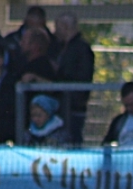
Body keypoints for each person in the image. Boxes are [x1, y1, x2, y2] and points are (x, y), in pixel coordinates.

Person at [53, 12, 95, 143]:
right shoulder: (62, 47)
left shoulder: (81, 49)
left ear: (65, 26)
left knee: (72, 139)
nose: (55, 32)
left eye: (57, 27)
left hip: (73, 106)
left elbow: (82, 77)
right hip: (63, 104)